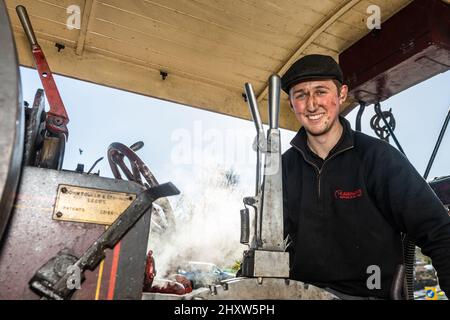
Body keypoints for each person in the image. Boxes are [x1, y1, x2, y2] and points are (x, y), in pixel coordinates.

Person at [280, 54, 450, 299]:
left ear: (341, 95)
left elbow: (437, 230)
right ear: (291, 104)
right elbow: (267, 244)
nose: (311, 104)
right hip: (301, 295)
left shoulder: (378, 158)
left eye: (320, 91)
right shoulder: (284, 168)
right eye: (301, 95)